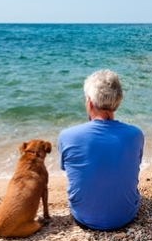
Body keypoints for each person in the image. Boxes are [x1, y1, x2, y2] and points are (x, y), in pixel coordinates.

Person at [58, 69, 144, 231]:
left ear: (89, 103)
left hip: (84, 216)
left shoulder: (67, 136)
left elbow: (69, 170)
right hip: (125, 215)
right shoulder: (136, 134)